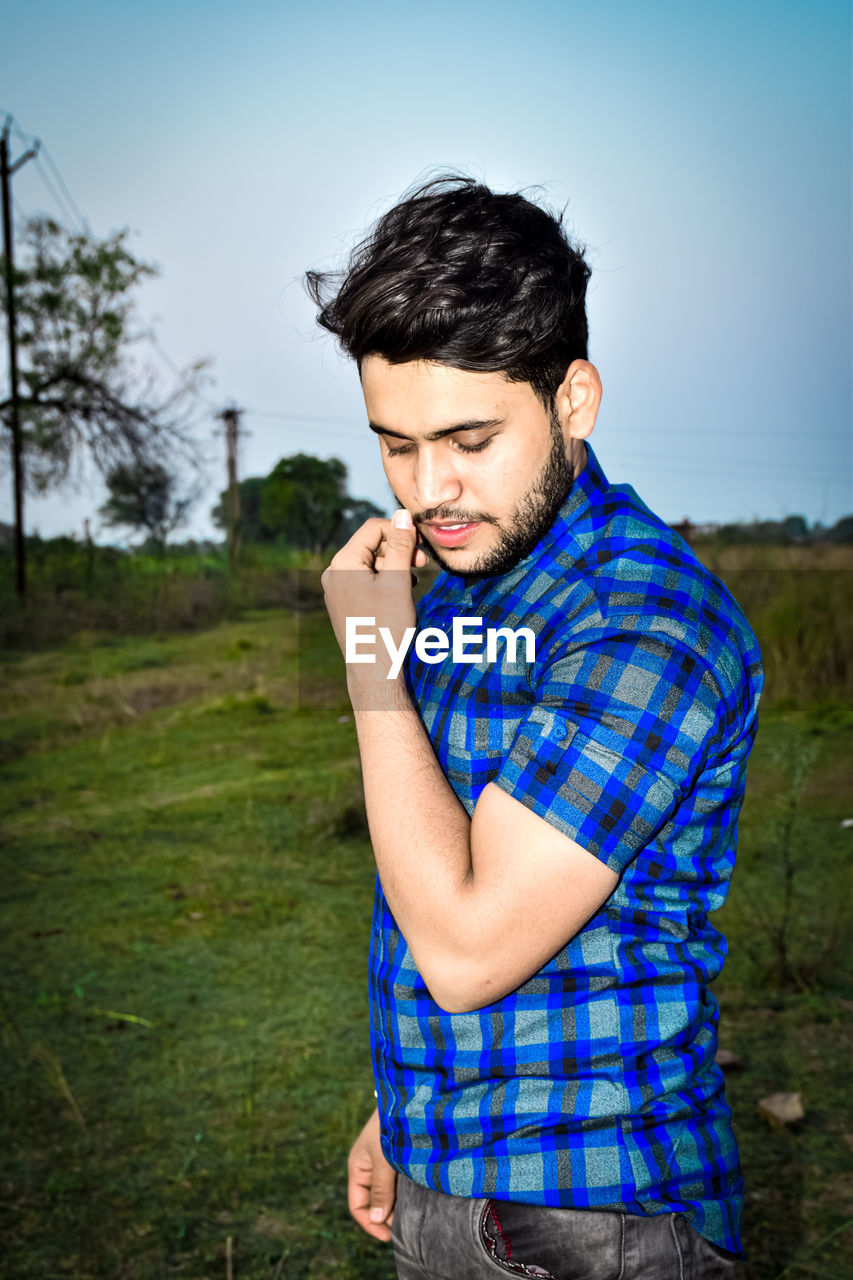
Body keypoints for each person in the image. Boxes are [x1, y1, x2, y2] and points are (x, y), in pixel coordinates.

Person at [306, 175, 763, 1279]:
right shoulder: (470, 575)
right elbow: (442, 846)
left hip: (596, 1222)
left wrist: (373, 665)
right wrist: (406, 1115)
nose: (429, 488)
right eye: (396, 443)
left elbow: (465, 949)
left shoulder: (645, 622)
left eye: (467, 437)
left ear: (573, 400)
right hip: (451, 1177)